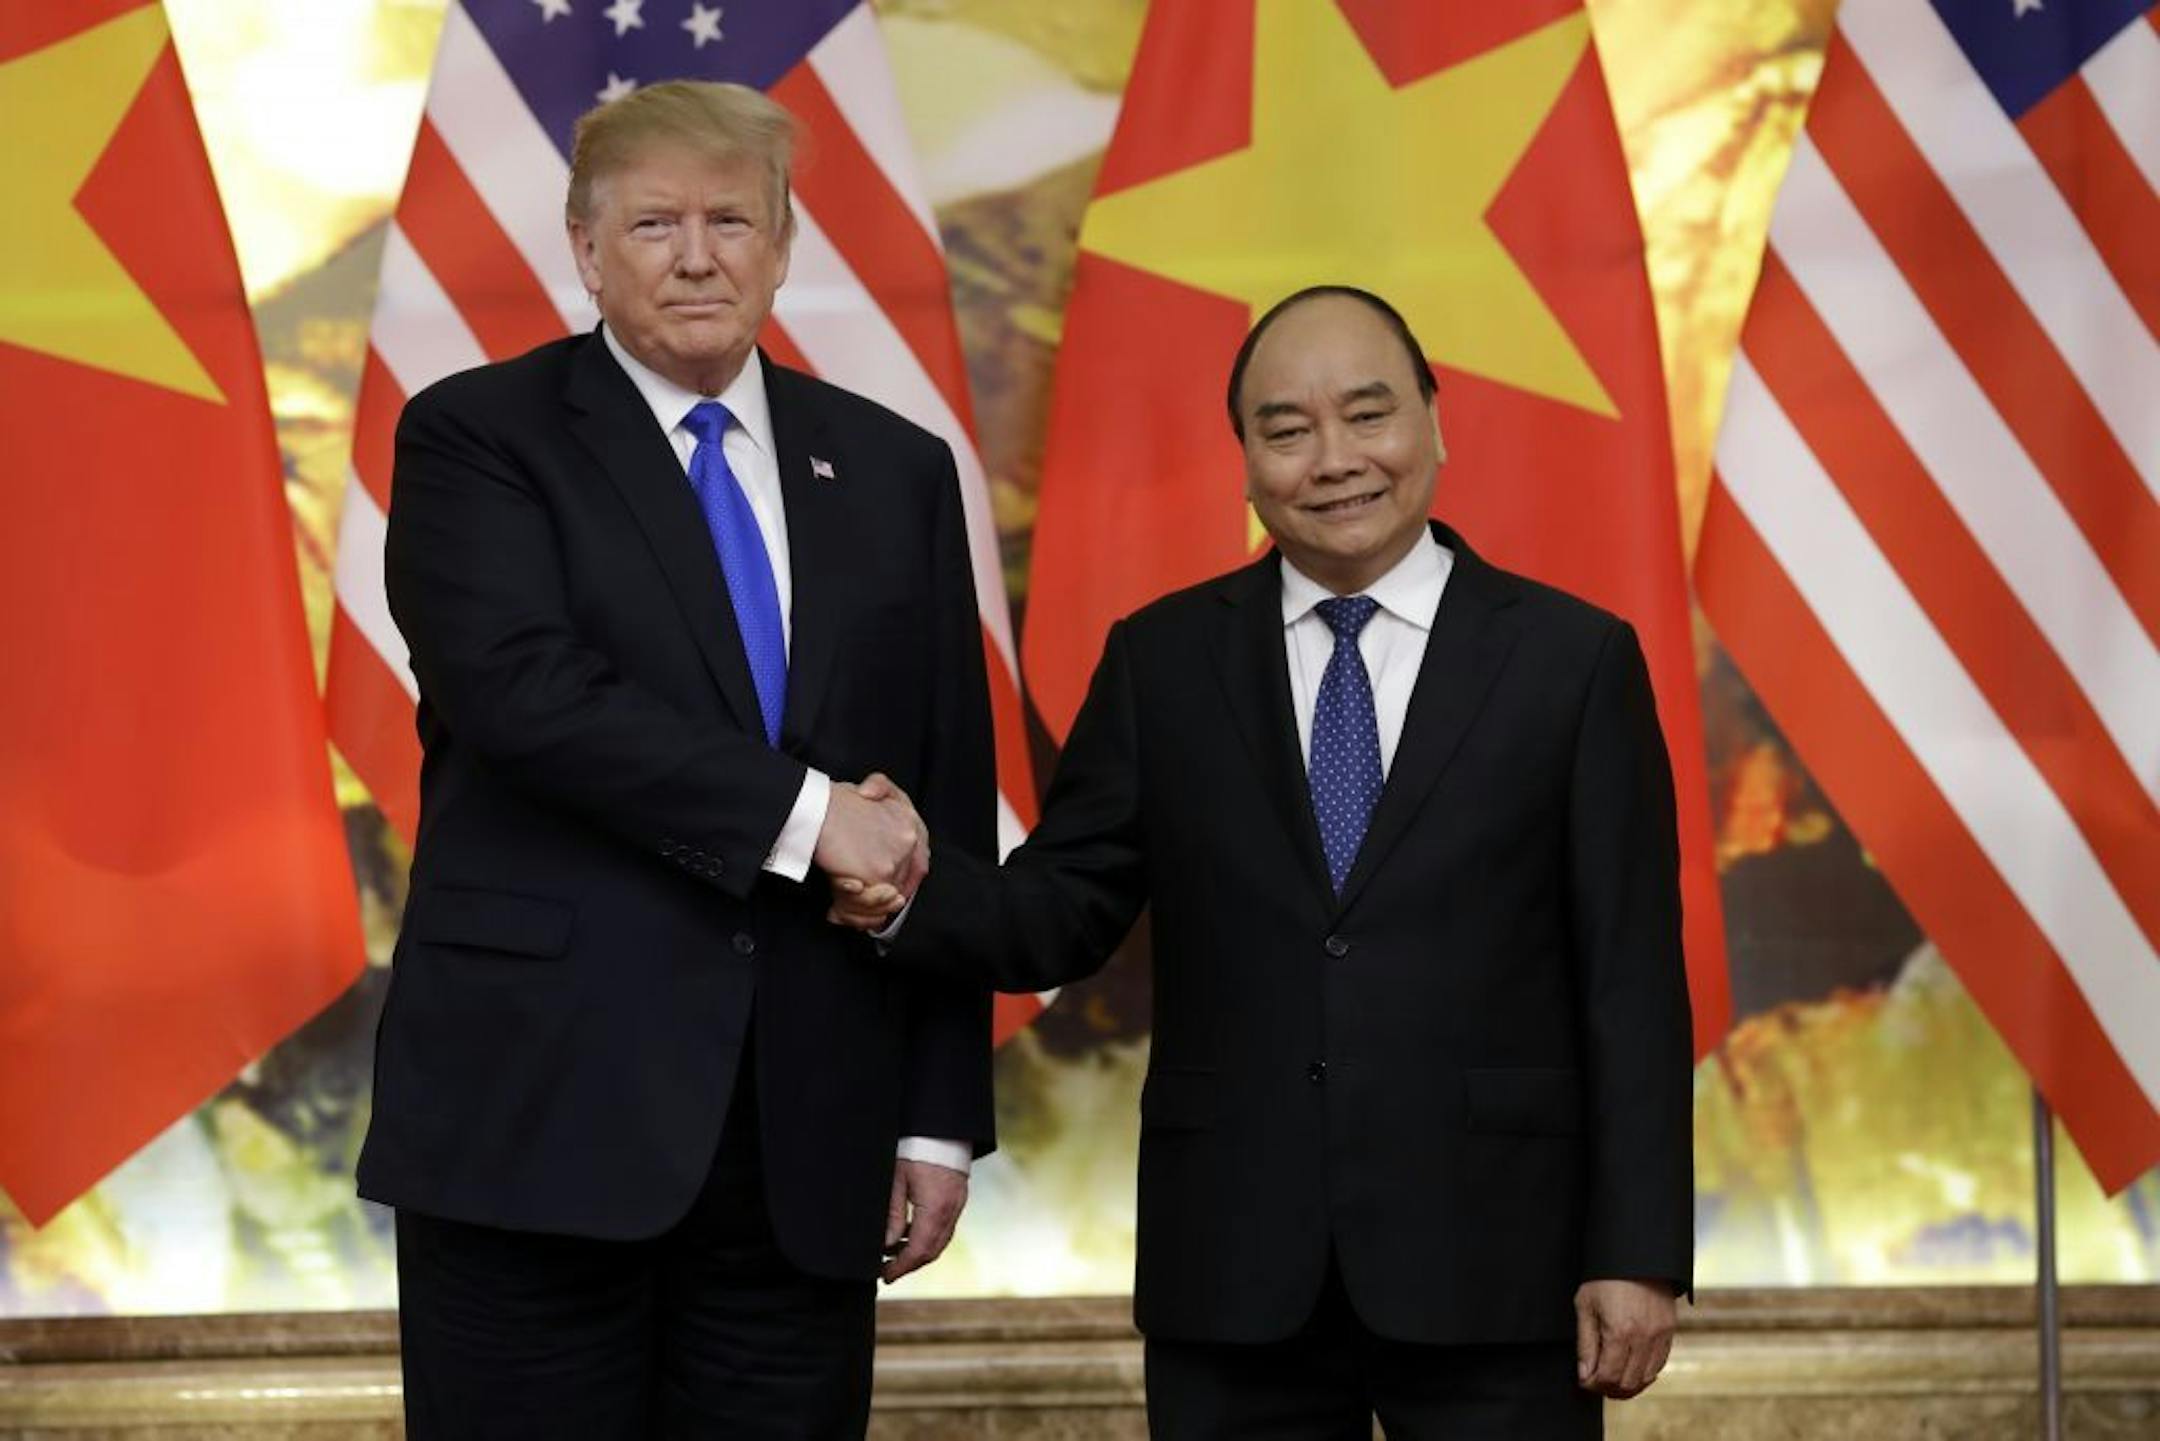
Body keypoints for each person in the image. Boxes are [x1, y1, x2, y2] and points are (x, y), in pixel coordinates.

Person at [835, 287, 1694, 1438]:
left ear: (1435, 423)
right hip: (1236, 1271)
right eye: (1286, 430)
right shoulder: (1163, 662)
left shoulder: (1573, 661)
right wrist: (895, 881)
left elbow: (1630, 979)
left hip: (1499, 1264)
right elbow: (1058, 913)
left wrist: (1637, 1250)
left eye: (1368, 415)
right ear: (1244, 460)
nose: (1333, 459)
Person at [355, 81, 997, 1440]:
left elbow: (944, 794)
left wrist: (938, 1117)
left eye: (730, 219)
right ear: (586, 250)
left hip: (806, 1141)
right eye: (654, 223)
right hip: (537, 1124)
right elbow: (525, 698)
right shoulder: (479, 436)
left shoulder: (895, 471)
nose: (696, 254)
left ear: (783, 242)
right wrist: (813, 816)